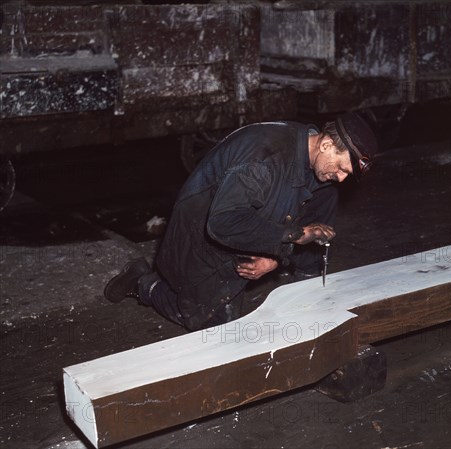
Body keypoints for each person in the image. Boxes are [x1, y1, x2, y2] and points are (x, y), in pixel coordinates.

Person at [104, 112, 378, 331]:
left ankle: (300, 291)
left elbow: (309, 225)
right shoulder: (263, 160)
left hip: (246, 226)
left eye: (348, 173)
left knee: (322, 200)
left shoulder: (315, 159)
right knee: (215, 324)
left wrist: (277, 258)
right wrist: (288, 238)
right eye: (342, 168)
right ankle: (142, 282)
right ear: (327, 144)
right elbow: (223, 223)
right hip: (202, 234)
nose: (342, 178)